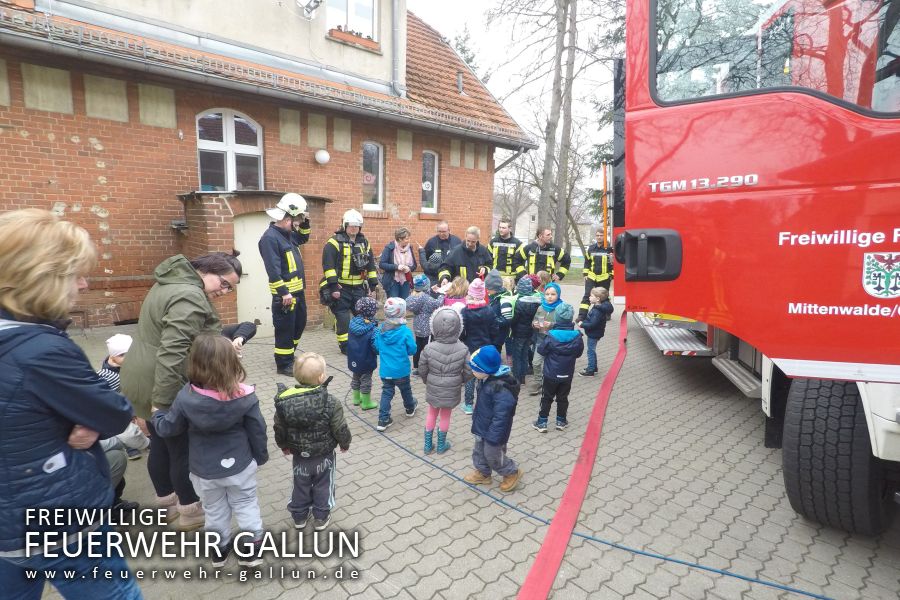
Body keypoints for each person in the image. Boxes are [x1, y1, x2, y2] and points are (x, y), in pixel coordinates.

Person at [0, 209, 141, 599]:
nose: (83, 283)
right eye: (74, 274)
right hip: (56, 520)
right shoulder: (42, 350)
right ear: (40, 278)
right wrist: (76, 420)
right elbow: (113, 413)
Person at [120, 250, 245, 530]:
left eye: (231, 288)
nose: (225, 291)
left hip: (139, 371)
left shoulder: (169, 281)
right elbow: (173, 350)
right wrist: (162, 402)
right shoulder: (190, 296)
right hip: (160, 379)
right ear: (206, 271)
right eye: (224, 283)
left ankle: (166, 506)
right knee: (179, 449)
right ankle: (190, 511)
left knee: (159, 445)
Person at [152, 335, 269, 568]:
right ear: (231, 363)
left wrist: (156, 415)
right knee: (246, 505)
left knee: (214, 509)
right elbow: (258, 429)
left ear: (195, 363)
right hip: (240, 465)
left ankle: (219, 552)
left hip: (204, 469)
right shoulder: (245, 396)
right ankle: (252, 550)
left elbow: (168, 428)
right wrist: (260, 456)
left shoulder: (186, 396)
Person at [274, 353, 352, 532]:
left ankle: (299, 516)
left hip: (299, 456)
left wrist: (283, 445)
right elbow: (340, 427)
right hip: (324, 455)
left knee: (300, 483)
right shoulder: (330, 401)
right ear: (321, 377)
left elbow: (279, 427)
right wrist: (344, 443)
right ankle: (321, 516)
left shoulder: (284, 401)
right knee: (324, 483)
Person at [259, 193, 311, 375]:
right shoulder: (270, 238)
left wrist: (305, 222)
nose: (297, 224)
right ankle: (283, 364)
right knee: (285, 330)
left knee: (299, 324)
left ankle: (289, 355)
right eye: (297, 220)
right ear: (287, 219)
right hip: (286, 296)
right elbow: (273, 270)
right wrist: (283, 293)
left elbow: (304, 238)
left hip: (298, 293)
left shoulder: (287, 234)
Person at [462, 345, 523, 492]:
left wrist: (494, 435)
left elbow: (502, 416)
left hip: (495, 431)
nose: (472, 371)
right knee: (479, 450)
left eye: (474, 369)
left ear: (485, 370)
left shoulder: (500, 388)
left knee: (492, 453)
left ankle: (511, 472)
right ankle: (483, 473)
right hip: (482, 425)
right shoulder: (485, 379)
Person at [321, 209, 379, 354]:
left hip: (359, 287)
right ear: (344, 225)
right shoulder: (334, 242)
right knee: (343, 317)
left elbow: (371, 265)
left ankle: (366, 340)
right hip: (341, 287)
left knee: (364, 315)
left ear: (360, 227)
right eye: (351, 225)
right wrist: (334, 287)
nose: (354, 228)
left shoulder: (364, 242)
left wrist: (373, 285)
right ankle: (345, 346)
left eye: (357, 225)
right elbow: (328, 266)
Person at [418, 307, 471, 454]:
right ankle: (441, 446)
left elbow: (422, 368)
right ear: (458, 328)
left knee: (431, 413)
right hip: (452, 387)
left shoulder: (428, 348)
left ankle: (428, 445)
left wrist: (426, 380)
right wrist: (461, 381)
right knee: (445, 416)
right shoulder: (463, 348)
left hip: (433, 385)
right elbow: (469, 370)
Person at [533, 303, 584, 432]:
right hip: (567, 374)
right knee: (563, 398)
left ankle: (542, 422)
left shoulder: (551, 336)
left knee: (547, 397)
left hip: (550, 374)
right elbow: (578, 353)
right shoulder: (577, 336)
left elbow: (541, 350)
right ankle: (561, 421)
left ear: (556, 318)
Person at [98, 333, 150, 460]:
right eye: (121, 355)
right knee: (124, 425)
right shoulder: (106, 375)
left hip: (130, 399)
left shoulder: (134, 365)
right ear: (112, 357)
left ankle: (143, 438)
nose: (127, 358)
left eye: (130, 353)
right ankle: (129, 445)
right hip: (115, 405)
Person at [373, 298, 418, 431]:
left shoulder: (380, 330)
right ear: (402, 313)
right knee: (405, 389)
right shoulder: (404, 331)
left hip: (386, 371)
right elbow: (412, 349)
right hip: (401, 370)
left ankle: (383, 419)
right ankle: (410, 408)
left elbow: (376, 347)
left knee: (387, 392)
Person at [460, 278, 498, 414]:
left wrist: (464, 340)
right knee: (485, 375)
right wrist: (492, 342)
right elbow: (495, 329)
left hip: (471, 347)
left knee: (470, 376)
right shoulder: (489, 310)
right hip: (486, 347)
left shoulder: (465, 311)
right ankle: (483, 402)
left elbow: (462, 331)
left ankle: (468, 404)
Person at [528, 282, 563, 396]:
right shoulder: (541, 307)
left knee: (553, 364)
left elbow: (565, 325)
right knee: (536, 362)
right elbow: (534, 320)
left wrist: (552, 325)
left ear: (558, 295)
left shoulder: (561, 307)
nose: (549, 296)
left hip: (555, 341)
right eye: (547, 294)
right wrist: (534, 324)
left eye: (553, 294)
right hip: (541, 340)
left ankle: (551, 382)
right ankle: (538, 381)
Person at [506, 277, 542, 384]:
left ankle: (517, 378)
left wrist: (510, 324)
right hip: (530, 332)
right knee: (525, 354)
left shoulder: (518, 303)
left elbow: (515, 319)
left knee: (517, 355)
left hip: (518, 333)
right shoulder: (536, 302)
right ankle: (523, 378)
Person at [406, 274, 444, 373]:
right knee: (427, 348)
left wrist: (430, 290)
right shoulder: (426, 298)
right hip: (427, 328)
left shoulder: (412, 296)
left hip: (417, 326)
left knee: (417, 347)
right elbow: (437, 304)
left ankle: (416, 367)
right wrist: (442, 295)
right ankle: (428, 368)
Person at [347, 296, 379, 411]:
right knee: (366, 380)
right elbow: (376, 346)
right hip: (366, 358)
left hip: (353, 357)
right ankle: (366, 402)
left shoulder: (352, 323)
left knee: (355, 377)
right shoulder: (373, 328)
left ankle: (356, 399)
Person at [579, 230, 614, 320]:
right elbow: (587, 262)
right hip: (591, 276)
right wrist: (585, 273)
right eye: (597, 235)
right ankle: (582, 316)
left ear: (605, 236)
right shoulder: (591, 248)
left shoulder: (610, 249)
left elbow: (613, 264)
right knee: (587, 295)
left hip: (604, 277)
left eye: (601, 235)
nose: (599, 237)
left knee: (604, 297)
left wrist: (611, 275)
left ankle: (606, 314)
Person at [579, 287, 615, 376]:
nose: (589, 298)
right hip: (595, 333)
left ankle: (590, 370)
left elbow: (592, 324)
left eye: (591, 296)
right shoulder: (599, 306)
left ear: (598, 299)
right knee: (592, 350)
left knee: (590, 351)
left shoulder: (597, 311)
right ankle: (593, 367)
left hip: (593, 334)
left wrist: (582, 324)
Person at [379, 227, 417, 300]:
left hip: (406, 280)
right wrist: (397, 267)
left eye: (409, 238)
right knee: (394, 304)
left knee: (404, 303)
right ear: (400, 239)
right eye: (406, 238)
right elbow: (382, 264)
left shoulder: (409, 248)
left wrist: (409, 268)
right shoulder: (389, 248)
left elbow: (414, 265)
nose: (408, 240)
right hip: (392, 281)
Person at [419, 221, 461, 286]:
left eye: (444, 231)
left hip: (451, 277)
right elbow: (427, 259)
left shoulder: (456, 241)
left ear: (449, 230)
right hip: (434, 278)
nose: (441, 233)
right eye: (439, 231)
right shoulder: (431, 242)